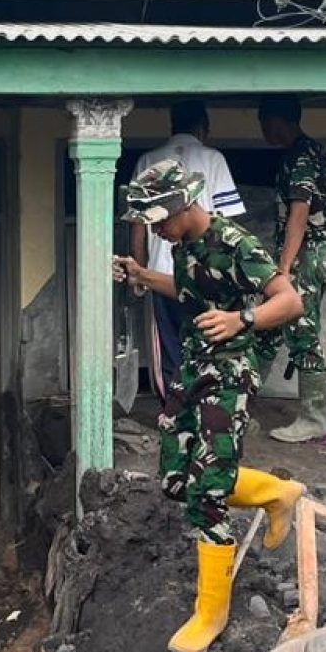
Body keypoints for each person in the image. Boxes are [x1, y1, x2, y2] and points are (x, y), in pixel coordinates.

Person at [113, 160, 307, 652]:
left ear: (184, 204)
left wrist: (243, 318)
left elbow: (290, 301)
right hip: (194, 366)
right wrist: (142, 274)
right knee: (177, 478)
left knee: (208, 494)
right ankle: (277, 492)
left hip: (232, 372)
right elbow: (189, 290)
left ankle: (211, 612)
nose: (156, 228)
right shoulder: (185, 246)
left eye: (159, 219)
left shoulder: (238, 244)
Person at [129, 101, 248, 419]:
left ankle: (173, 412)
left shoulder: (148, 160)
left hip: (159, 271)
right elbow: (229, 219)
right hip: (208, 275)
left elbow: (139, 225)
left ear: (171, 125)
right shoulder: (214, 159)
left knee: (169, 348)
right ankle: (205, 411)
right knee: (209, 343)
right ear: (204, 127)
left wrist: (139, 272)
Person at [252, 95, 326, 443]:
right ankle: (238, 409)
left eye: (264, 123)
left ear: (278, 121)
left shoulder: (302, 155)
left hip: (306, 256)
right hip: (305, 255)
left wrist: (284, 270)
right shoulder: (308, 151)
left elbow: (299, 216)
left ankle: (313, 418)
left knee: (302, 332)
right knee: (266, 330)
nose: (263, 131)